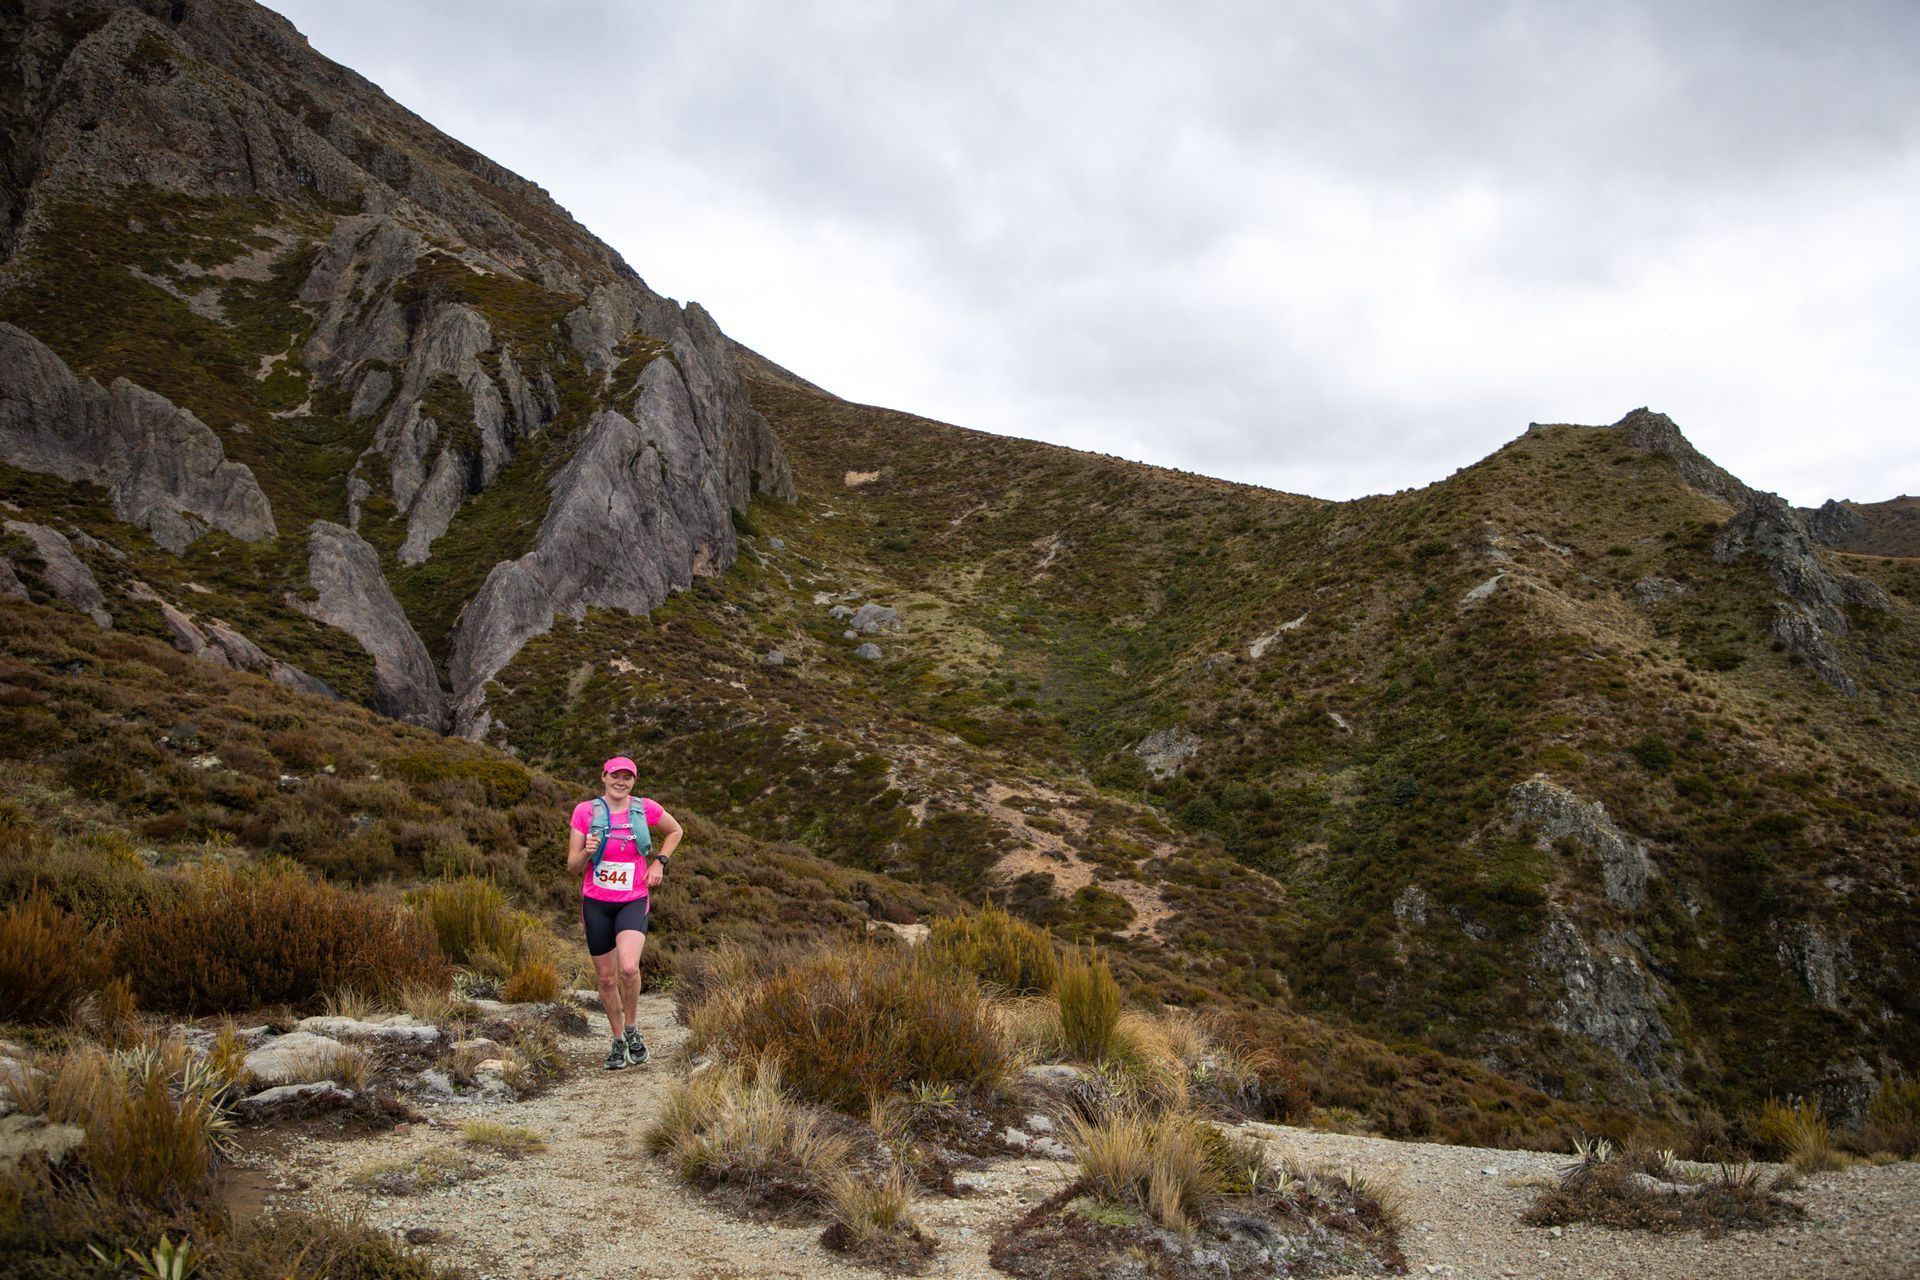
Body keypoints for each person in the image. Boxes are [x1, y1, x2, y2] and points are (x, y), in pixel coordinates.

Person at [566, 756, 682, 1069]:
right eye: (615, 776)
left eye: (627, 777)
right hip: (596, 902)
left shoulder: (645, 808)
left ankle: (632, 1030)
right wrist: (587, 852)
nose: (621, 782)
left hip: (633, 898)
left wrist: (660, 862)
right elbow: (572, 867)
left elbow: (675, 830)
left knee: (629, 969)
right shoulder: (585, 812)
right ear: (603, 777)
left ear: (634, 781)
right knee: (605, 979)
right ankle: (617, 1041)